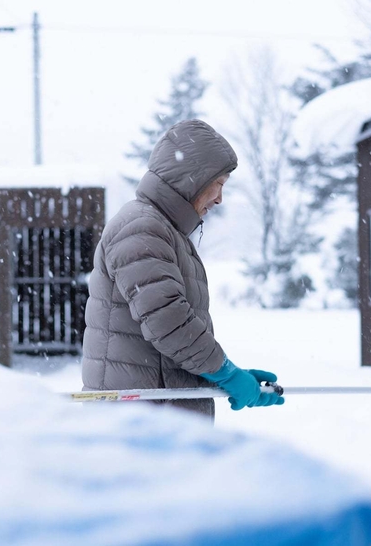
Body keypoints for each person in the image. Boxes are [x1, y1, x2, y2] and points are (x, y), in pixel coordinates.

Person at [81, 119, 284, 420]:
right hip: (138, 424)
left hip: (155, 418)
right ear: (194, 179)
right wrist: (224, 372)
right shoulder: (142, 228)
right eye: (219, 184)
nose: (219, 198)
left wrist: (222, 375)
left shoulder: (163, 230)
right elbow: (170, 323)